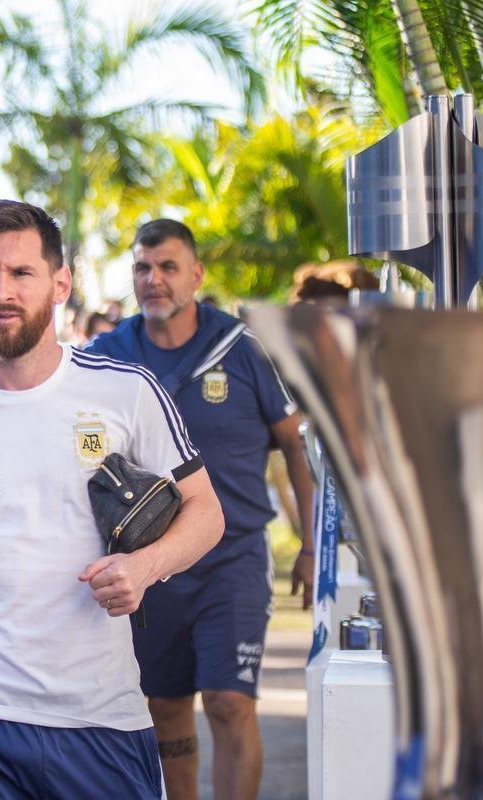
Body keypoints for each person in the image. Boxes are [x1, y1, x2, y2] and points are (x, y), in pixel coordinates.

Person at [0, 200, 224, 799]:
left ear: (60, 284)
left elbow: (207, 512)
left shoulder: (126, 391)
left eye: (21, 272)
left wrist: (144, 567)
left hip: (100, 719)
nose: (1, 291)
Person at [87, 219, 315, 800]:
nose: (154, 280)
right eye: (142, 268)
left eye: (167, 267)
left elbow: (295, 443)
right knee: (165, 709)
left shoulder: (242, 347)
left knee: (229, 702)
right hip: (151, 566)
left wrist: (311, 546)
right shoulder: (107, 357)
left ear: (196, 274)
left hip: (231, 559)